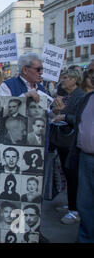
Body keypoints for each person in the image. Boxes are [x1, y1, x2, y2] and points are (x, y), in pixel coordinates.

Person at [51, 68, 85, 225]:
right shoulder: (66, 95)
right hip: (63, 142)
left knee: (73, 177)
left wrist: (64, 114)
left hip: (72, 142)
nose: (62, 80)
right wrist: (57, 111)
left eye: (65, 78)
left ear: (74, 80)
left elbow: (79, 118)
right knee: (67, 175)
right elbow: (57, 112)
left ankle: (75, 211)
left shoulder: (80, 96)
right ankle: (72, 205)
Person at [65, 74, 94, 242]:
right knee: (85, 204)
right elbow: (79, 123)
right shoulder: (88, 98)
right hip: (86, 157)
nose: (90, 76)